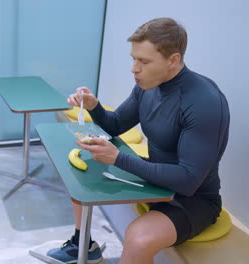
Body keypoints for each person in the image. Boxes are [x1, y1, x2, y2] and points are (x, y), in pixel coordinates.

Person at [46, 17, 230, 264]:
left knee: (138, 238)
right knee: (81, 176)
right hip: (154, 180)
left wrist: (119, 159)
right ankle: (83, 243)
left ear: (173, 60)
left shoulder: (204, 102)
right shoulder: (148, 86)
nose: (134, 68)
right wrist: (94, 106)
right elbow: (115, 124)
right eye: (133, 59)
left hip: (192, 199)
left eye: (144, 61)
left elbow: (188, 181)